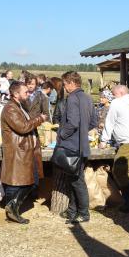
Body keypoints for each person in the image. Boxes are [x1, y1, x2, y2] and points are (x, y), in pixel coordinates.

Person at [0, 81, 47, 224]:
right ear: (15, 94)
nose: (28, 94)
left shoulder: (19, 106)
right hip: (17, 152)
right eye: (25, 92)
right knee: (16, 183)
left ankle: (12, 208)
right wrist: (40, 119)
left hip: (25, 151)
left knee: (31, 181)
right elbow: (23, 127)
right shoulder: (10, 108)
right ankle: (12, 210)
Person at [56, 71, 97, 224]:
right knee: (73, 179)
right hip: (82, 146)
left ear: (72, 83)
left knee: (77, 180)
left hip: (72, 146)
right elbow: (94, 121)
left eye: (65, 84)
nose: (65, 88)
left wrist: (61, 135)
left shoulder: (72, 98)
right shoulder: (87, 97)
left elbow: (72, 123)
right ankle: (73, 210)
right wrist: (83, 131)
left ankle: (83, 213)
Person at [99, 85, 129, 213]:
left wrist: (103, 140)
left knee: (118, 170)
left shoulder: (117, 103)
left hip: (128, 143)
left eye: (114, 94)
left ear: (121, 93)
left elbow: (110, 122)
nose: (112, 97)